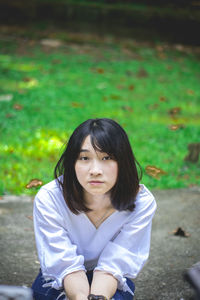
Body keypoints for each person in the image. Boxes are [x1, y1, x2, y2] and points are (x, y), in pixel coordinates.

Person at [32, 118, 157, 300]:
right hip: (64, 278)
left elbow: (113, 266)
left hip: (109, 280)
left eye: (106, 158)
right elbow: (66, 266)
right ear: (72, 163)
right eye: (84, 158)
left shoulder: (141, 203)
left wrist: (99, 297)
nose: (95, 170)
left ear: (123, 161)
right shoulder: (50, 198)